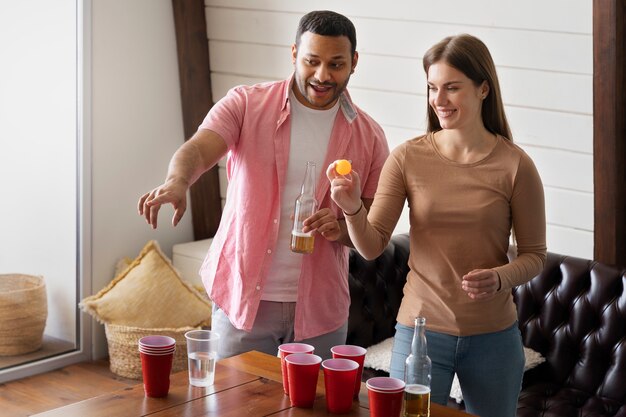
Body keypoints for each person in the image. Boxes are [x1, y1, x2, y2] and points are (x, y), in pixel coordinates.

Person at [138, 10, 389, 361]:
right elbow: (199, 148)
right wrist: (178, 182)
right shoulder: (246, 103)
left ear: (354, 62)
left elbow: (371, 232)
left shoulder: (370, 136)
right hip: (244, 300)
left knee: (312, 412)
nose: (322, 75)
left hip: (320, 310)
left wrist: (341, 228)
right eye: (311, 61)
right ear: (293, 55)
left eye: (335, 64)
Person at [327, 34, 546, 417]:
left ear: (483, 89)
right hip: (419, 332)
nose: (439, 100)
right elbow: (372, 245)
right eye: (432, 87)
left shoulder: (516, 165)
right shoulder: (408, 158)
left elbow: (534, 257)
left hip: (494, 336)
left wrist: (500, 278)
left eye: (452, 88)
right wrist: (350, 209)